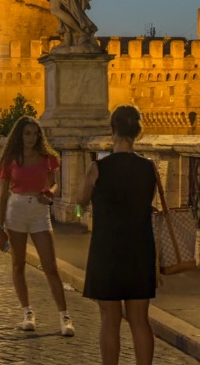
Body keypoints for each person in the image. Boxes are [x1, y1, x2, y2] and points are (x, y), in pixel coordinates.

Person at [75, 105, 157, 365]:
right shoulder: (149, 168)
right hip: (140, 250)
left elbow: (80, 201)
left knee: (110, 320)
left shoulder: (99, 168)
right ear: (137, 132)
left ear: (113, 130)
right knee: (140, 320)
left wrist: (81, 210)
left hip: (107, 250)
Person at [0, 116, 74, 337]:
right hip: (16, 211)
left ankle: (64, 316)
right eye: (27, 133)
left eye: (35, 133)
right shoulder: (10, 160)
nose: (31, 138)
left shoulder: (47, 158)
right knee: (18, 265)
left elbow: (55, 183)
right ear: (20, 135)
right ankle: (27, 313)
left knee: (51, 267)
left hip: (39, 212)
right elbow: (2, 196)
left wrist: (51, 192)